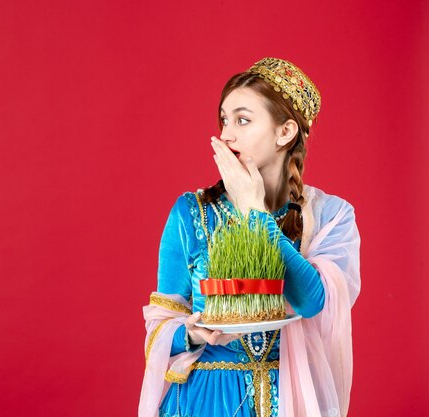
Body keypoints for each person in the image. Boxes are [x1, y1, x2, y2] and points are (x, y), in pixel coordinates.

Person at [139, 57, 361, 417]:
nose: (226, 135)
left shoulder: (329, 215)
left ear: (285, 132)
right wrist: (193, 334)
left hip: (290, 400)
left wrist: (254, 213)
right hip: (206, 400)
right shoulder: (191, 212)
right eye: (224, 120)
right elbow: (160, 325)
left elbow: (311, 302)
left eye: (242, 120)